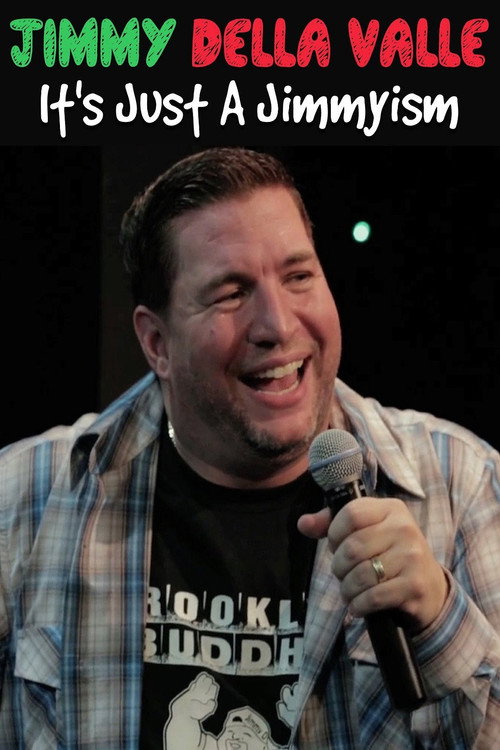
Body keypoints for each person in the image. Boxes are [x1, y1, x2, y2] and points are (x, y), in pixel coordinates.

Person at [0, 146, 499, 749]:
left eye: (298, 277)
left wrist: (442, 621)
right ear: (157, 342)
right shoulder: (24, 497)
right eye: (231, 293)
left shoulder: (461, 483)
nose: (278, 325)